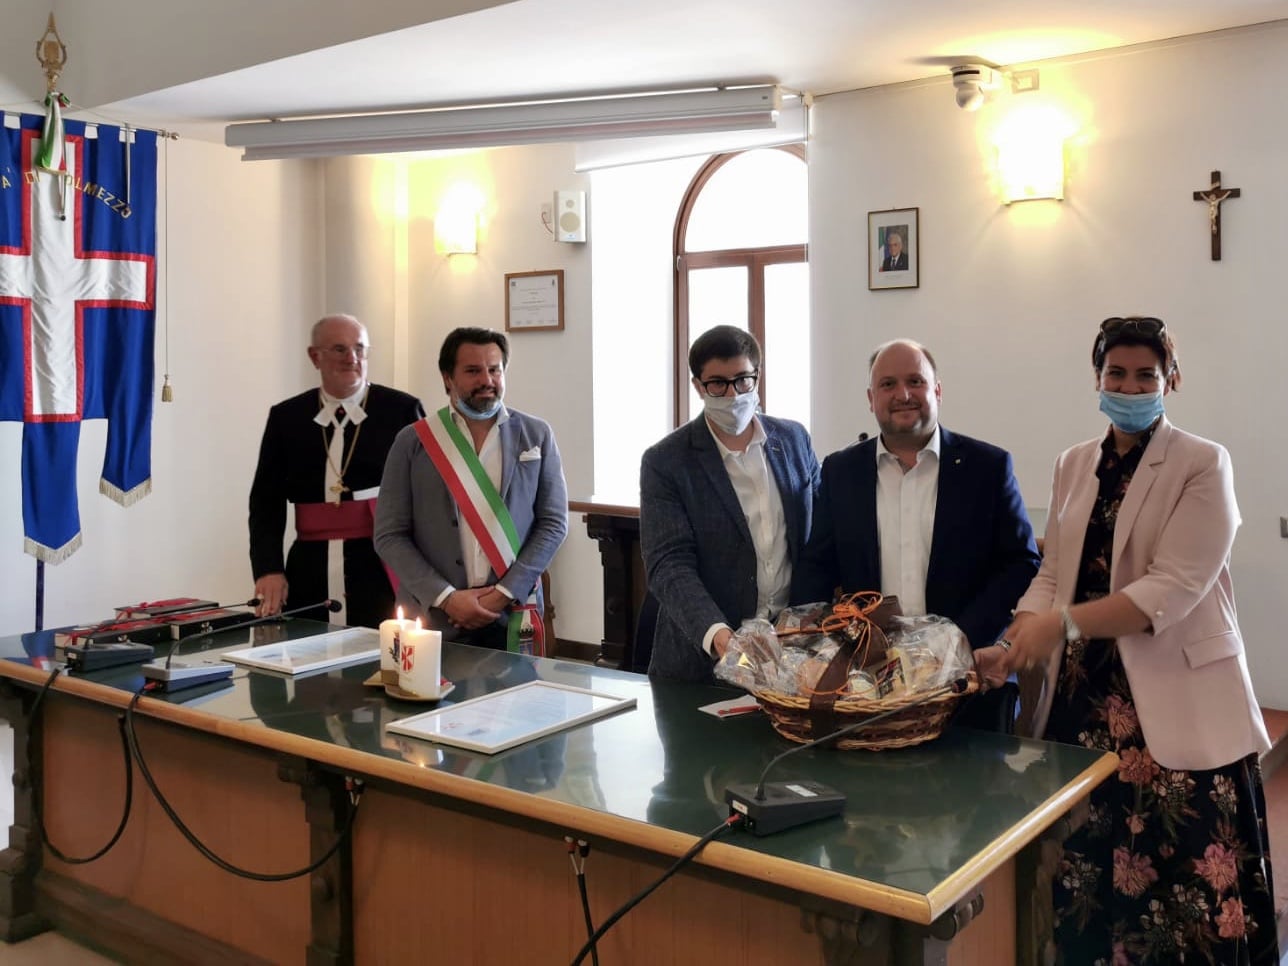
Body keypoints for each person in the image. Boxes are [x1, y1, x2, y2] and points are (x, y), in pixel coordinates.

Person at [1000, 316, 1276, 964]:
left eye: (1145, 375)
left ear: (1170, 380)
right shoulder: (1073, 463)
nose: (1129, 387)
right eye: (1116, 374)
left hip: (1175, 698)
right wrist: (1017, 634)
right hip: (1083, 701)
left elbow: (1172, 588)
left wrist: (1061, 625)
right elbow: (1053, 572)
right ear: (1096, 378)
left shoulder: (1202, 462)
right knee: (1085, 868)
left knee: (1182, 886)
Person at [791, 339, 1040, 727]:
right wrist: (805, 648)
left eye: (915, 381)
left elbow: (1020, 562)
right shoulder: (841, 471)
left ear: (937, 391)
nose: (903, 394)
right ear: (871, 399)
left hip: (968, 677)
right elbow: (817, 567)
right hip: (868, 684)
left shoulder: (987, 467)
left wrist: (958, 637)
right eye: (888, 384)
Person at [640, 325, 820, 683]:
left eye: (742, 380)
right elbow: (668, 564)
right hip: (703, 662)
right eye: (718, 384)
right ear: (698, 386)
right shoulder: (666, 461)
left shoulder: (794, 440)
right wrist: (721, 638)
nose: (733, 393)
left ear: (757, 377)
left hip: (792, 652)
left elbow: (818, 536)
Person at [373, 327, 567, 653]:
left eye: (495, 370)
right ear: (447, 378)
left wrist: (502, 594)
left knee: (521, 688)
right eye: (473, 371)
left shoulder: (536, 434)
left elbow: (554, 523)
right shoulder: (412, 441)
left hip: (512, 613)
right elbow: (389, 535)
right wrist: (447, 598)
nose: (487, 380)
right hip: (433, 617)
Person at [248, 314, 424, 628]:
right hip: (308, 565)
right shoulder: (287, 417)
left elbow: (426, 497)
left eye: (359, 349)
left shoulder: (401, 410)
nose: (352, 358)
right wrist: (268, 569)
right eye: (340, 349)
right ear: (314, 356)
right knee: (307, 645)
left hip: (380, 564)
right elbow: (265, 501)